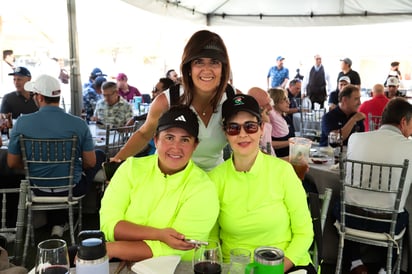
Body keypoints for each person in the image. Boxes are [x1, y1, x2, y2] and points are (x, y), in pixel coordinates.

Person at [208, 94, 315, 273]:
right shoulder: (215, 178)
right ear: (225, 133)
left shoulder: (283, 171)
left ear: (261, 129)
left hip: (287, 265)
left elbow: (304, 233)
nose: (242, 134)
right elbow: (212, 239)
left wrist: (275, 270)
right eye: (233, 128)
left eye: (250, 126)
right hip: (236, 267)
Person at [100, 105, 219, 261]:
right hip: (119, 262)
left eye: (185, 139)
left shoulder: (203, 188)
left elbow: (180, 248)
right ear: (156, 140)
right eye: (169, 137)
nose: (176, 148)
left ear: (195, 145)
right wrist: (158, 234)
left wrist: (113, 248)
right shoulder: (130, 169)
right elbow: (109, 225)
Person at [112, 30, 235, 171]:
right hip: (170, 180)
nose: (206, 69)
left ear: (223, 68)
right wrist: (116, 162)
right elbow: (144, 134)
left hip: (214, 182)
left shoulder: (233, 98)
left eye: (214, 62)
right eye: (199, 62)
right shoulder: (166, 101)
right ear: (188, 68)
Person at [7, 74, 105, 237]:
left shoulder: (22, 123)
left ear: (39, 97)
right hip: (71, 189)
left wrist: (36, 167)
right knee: (99, 155)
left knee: (56, 173)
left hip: (37, 189)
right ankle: (67, 221)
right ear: (58, 97)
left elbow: (11, 163)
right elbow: (89, 162)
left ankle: (58, 223)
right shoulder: (78, 124)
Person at [335, 98, 412, 274]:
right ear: (403, 122)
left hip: (351, 218)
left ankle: (355, 262)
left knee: (340, 204)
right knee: (404, 212)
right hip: (387, 225)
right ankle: (386, 268)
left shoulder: (355, 138)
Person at [247, 87, 276, 156]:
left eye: (270, 102)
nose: (271, 108)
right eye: (266, 105)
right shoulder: (251, 129)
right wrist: (266, 125)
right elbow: (267, 156)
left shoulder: (263, 120)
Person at [269, 88, 295, 159]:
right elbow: (267, 143)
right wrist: (291, 142)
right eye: (284, 100)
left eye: (287, 99)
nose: (288, 103)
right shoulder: (269, 120)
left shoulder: (287, 118)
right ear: (275, 101)